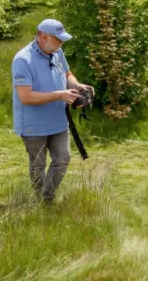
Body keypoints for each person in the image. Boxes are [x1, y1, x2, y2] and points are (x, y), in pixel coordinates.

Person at [11, 19, 94, 203]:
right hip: (33, 125)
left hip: (58, 121)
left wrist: (77, 86)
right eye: (58, 40)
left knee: (63, 159)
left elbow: (67, 75)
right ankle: (42, 201)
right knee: (38, 165)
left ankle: (47, 198)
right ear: (43, 37)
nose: (61, 43)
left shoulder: (57, 52)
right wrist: (59, 95)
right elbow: (25, 97)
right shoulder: (23, 60)